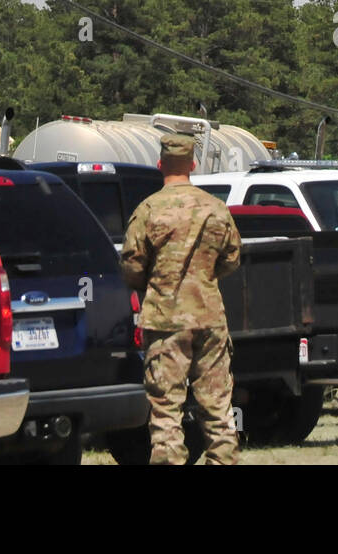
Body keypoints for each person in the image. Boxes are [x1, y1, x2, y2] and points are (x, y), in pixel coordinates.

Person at [121, 132, 242, 465]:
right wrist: (202, 276)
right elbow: (232, 259)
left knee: (166, 412)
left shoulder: (148, 210)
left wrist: (155, 281)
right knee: (218, 410)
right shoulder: (216, 209)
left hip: (165, 323)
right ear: (192, 164)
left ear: (160, 165)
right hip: (210, 319)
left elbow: (132, 267)